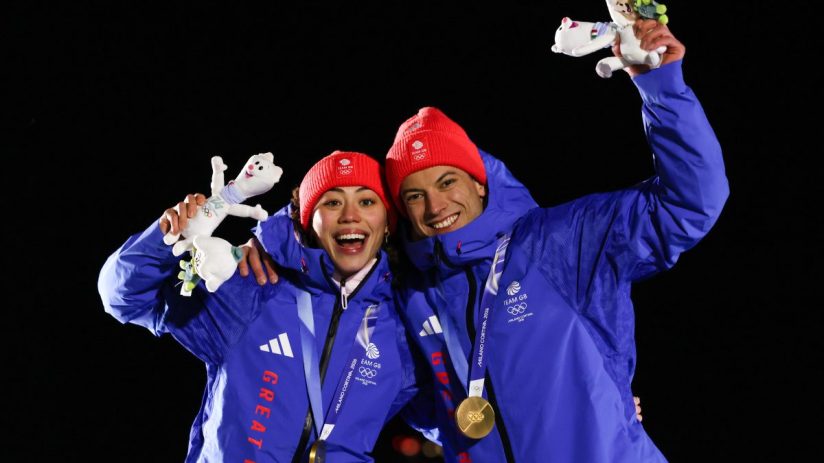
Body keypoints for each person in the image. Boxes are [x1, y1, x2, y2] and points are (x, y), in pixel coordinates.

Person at [379, 20, 729, 462]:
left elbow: (689, 202)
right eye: (414, 195)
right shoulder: (412, 296)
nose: (435, 206)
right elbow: (412, 403)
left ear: (479, 183)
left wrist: (663, 90)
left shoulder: (560, 240)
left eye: (448, 182)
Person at [98, 151, 421, 462]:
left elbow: (438, 416)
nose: (350, 215)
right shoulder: (254, 285)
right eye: (332, 202)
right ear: (308, 220)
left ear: (387, 222)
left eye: (367, 202)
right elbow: (124, 298)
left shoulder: (401, 328)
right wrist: (168, 236)